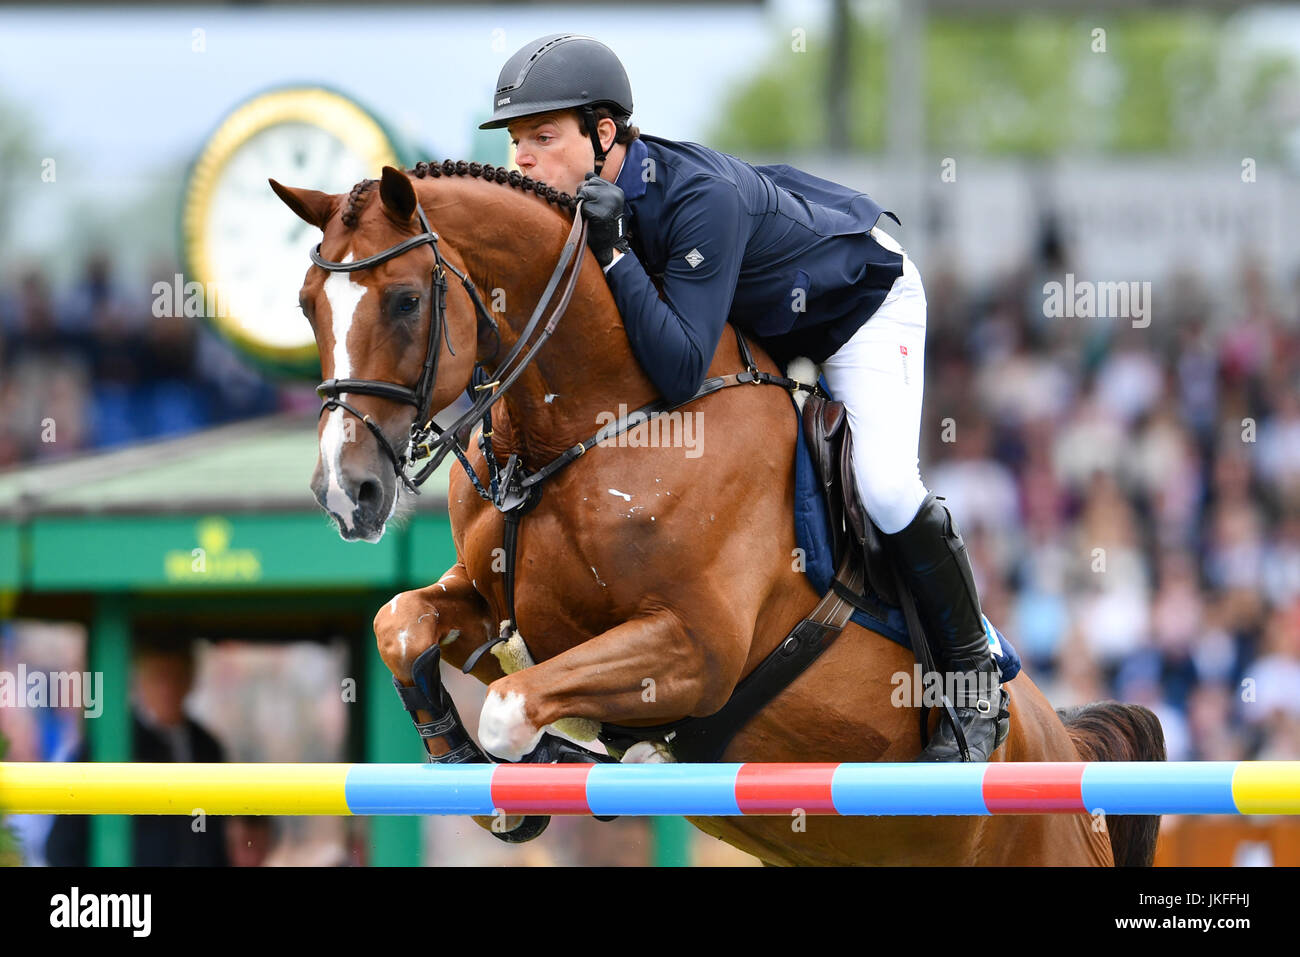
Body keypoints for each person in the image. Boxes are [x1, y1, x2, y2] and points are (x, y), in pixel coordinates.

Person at [479, 34, 1009, 761]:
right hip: (768, 331)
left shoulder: (699, 198)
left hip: (857, 310)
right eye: (516, 143)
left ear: (605, 134)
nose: (523, 161)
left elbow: (677, 368)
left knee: (884, 487)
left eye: (542, 137)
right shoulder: (584, 207)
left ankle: (975, 683)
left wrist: (614, 251)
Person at [46, 638, 229, 865]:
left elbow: (215, 836)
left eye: (178, 675)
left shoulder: (207, 747)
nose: (168, 688)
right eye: (159, 676)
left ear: (191, 678)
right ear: (139, 679)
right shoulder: (108, 747)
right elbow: (62, 846)